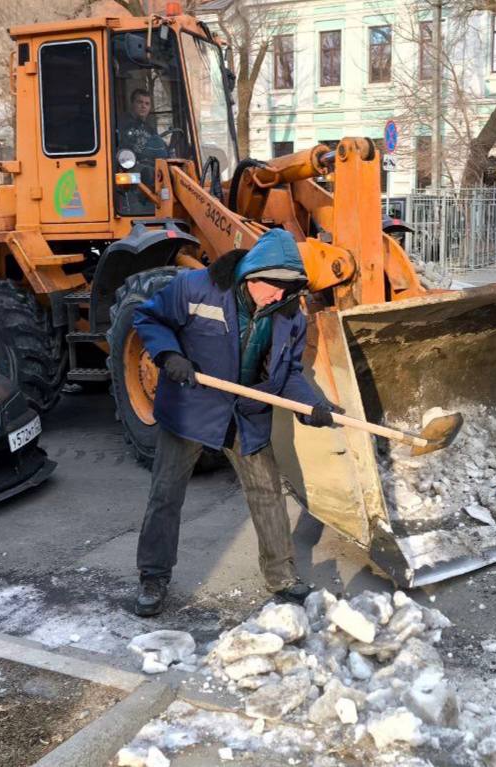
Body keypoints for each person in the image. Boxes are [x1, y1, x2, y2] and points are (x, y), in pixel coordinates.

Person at [131, 229, 343, 617]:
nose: (278, 297)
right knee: (166, 494)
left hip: (246, 414)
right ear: (251, 275)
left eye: (287, 289)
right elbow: (148, 317)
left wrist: (313, 406)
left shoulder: (289, 315)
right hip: (191, 407)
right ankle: (153, 576)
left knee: (267, 493)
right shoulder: (195, 288)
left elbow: (289, 373)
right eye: (273, 288)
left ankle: (282, 577)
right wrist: (168, 354)